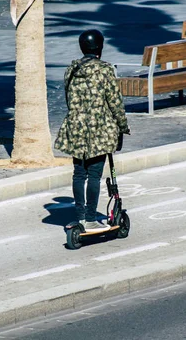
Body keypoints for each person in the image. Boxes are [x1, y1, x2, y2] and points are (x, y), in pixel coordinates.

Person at [55, 29, 130, 232]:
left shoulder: (71, 70)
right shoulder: (105, 70)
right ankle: (90, 217)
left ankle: (80, 216)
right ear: (100, 47)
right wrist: (123, 126)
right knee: (95, 175)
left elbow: (68, 98)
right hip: (100, 129)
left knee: (79, 174)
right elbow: (115, 102)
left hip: (76, 127)